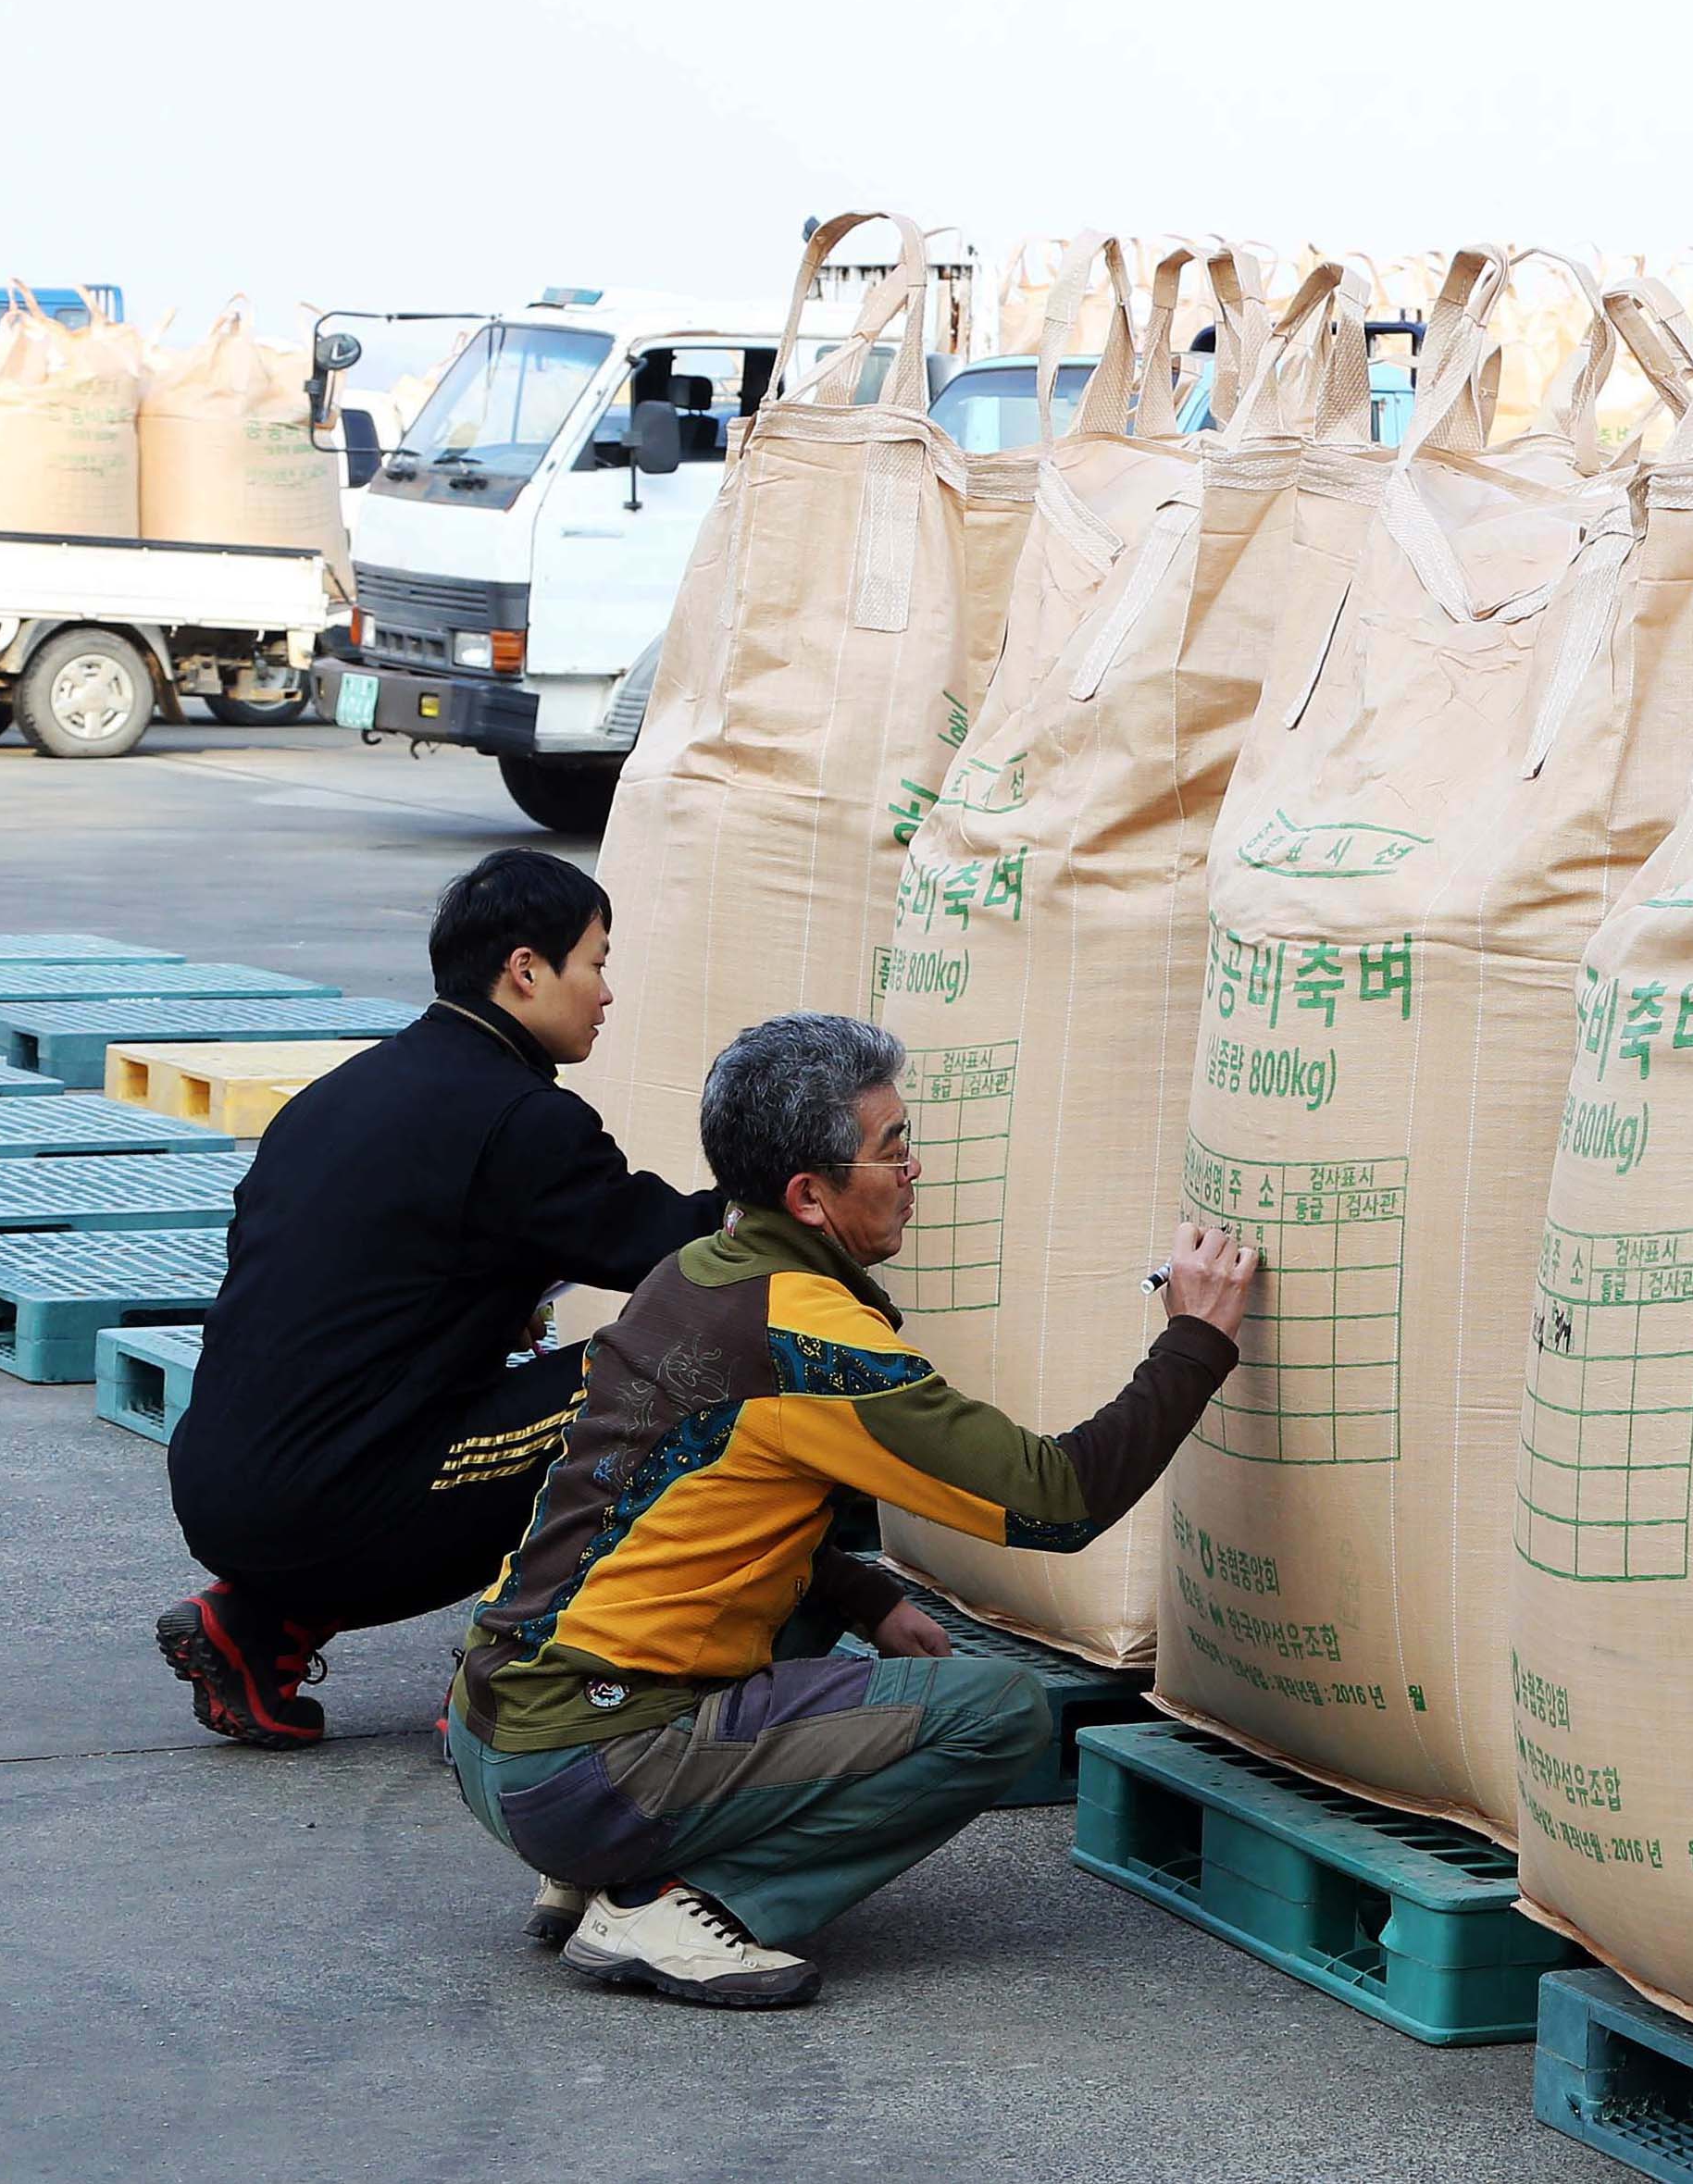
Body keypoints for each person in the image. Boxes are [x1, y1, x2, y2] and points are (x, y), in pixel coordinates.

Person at [446, 1011, 1257, 2006]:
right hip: (583, 1762)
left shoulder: (696, 1272)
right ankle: (690, 1905)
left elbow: (685, 1503)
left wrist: (865, 1596)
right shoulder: (808, 1334)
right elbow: (1060, 1501)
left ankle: (592, 1862)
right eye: (893, 1147)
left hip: (492, 1735)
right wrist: (1196, 1343)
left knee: (812, 1577)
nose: (913, 1168)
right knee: (995, 1715)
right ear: (811, 1196)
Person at [157, 849, 724, 1749]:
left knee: (464, 1401)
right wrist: (802, 1198)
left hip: (221, 1485)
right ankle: (515, 1678)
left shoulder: (344, 1093)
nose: (607, 993)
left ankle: (255, 1627)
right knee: (666, 1379)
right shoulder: (518, 1118)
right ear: (526, 970)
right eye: (597, 962)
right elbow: (678, 1250)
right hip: (338, 1501)